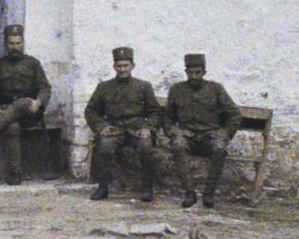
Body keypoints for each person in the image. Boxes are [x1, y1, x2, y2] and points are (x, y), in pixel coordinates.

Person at [0, 25, 52, 185]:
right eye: (11, 43)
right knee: (12, 126)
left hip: (30, 111)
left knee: (24, 102)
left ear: (23, 43)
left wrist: (38, 102)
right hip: (6, 110)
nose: (15, 47)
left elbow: (45, 88)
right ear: (6, 44)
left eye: (18, 43)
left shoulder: (33, 63)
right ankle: (15, 173)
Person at [163, 52, 242, 209]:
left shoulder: (216, 89)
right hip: (187, 137)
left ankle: (209, 194)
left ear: (204, 72)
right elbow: (167, 117)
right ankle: (189, 193)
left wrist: (225, 133)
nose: (194, 76)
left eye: (197, 72)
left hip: (210, 137)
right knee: (177, 145)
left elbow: (234, 114)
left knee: (220, 149)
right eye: (190, 72)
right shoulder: (176, 90)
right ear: (185, 72)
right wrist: (173, 132)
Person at [83, 47, 161, 203]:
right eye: (119, 66)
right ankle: (102, 188)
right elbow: (91, 111)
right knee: (104, 146)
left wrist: (148, 128)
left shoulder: (143, 86)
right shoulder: (104, 87)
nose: (122, 69)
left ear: (132, 66)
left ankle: (147, 188)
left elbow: (155, 112)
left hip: (136, 130)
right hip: (114, 129)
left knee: (146, 147)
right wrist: (102, 127)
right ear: (114, 67)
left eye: (125, 65)